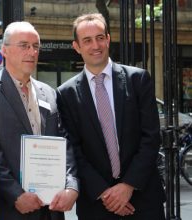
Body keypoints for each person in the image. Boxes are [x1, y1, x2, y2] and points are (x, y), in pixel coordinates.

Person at [56, 13, 166, 219]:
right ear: (77, 47)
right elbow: (73, 149)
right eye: (87, 40)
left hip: (143, 199)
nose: (95, 45)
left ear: (108, 39)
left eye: (99, 37)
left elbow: (151, 137)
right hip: (97, 204)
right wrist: (106, 194)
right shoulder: (66, 93)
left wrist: (127, 186)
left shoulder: (138, 79)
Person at [0, 21, 79, 220]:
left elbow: (64, 142)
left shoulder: (49, 93)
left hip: (51, 209)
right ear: (4, 50)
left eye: (36, 46)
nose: (32, 52)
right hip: (11, 209)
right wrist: (15, 194)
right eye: (24, 45)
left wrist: (71, 185)